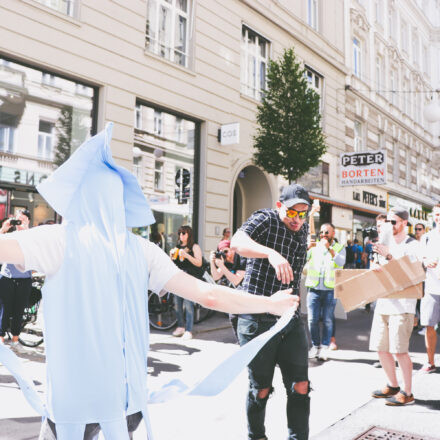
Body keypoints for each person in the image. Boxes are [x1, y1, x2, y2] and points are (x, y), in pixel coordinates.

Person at [0, 124, 298, 440]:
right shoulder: (142, 250)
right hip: (127, 403)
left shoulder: (58, 240)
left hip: (73, 406)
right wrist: (270, 304)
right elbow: (208, 295)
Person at [231, 183, 311, 440]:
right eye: (292, 213)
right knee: (261, 389)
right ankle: (257, 436)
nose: (297, 219)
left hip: (290, 318)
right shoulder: (265, 218)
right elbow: (237, 242)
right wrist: (271, 254)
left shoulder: (303, 227)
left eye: (303, 213)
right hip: (257, 318)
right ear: (280, 206)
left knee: (300, 386)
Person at [370, 207, 421, 406]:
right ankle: (392, 385)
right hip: (383, 301)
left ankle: (408, 392)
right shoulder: (385, 242)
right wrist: (374, 266)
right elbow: (377, 267)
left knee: (400, 351)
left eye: (394, 222)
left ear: (404, 223)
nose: (390, 226)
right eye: (388, 222)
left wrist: (390, 256)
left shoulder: (412, 245)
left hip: (402, 305)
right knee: (381, 348)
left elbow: (412, 274)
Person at [305, 223, 346, 361]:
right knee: (312, 320)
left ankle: (324, 347)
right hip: (313, 289)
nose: (323, 235)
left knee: (328, 320)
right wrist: (306, 248)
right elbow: (301, 258)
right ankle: (315, 346)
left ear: (333, 234)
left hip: (329, 290)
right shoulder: (314, 246)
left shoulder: (339, 247)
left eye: (326, 232)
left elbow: (341, 263)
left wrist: (330, 250)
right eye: (321, 232)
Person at [0, 210, 32, 353]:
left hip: (24, 279)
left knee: (19, 311)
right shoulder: (9, 235)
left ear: (28, 221)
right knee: (4, 310)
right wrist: (3, 229)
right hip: (7, 277)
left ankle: (15, 341)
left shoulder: (33, 236)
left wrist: (26, 232)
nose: (19, 223)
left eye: (23, 220)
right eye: (17, 220)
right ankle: (0, 342)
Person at [170, 225, 203, 340]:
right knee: (177, 304)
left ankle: (189, 330)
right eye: (180, 233)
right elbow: (174, 264)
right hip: (178, 278)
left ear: (189, 234)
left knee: (188, 305)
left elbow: (199, 263)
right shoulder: (178, 247)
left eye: (183, 233)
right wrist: (171, 256)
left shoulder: (194, 246)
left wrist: (187, 255)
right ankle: (180, 326)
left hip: (190, 278)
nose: (181, 235)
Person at [210, 239, 246, 338]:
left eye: (226, 251)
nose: (225, 254)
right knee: (233, 318)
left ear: (233, 249)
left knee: (244, 323)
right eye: (222, 252)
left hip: (247, 294)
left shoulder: (242, 258)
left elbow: (236, 281)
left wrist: (222, 266)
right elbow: (216, 276)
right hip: (236, 296)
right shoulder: (225, 261)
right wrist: (212, 262)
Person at [419, 204, 440, 373]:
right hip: (432, 288)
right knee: (429, 325)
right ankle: (430, 362)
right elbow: (420, 259)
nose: (438, 217)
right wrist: (426, 262)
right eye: (437, 214)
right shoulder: (427, 237)